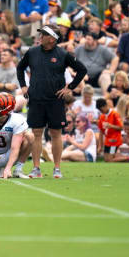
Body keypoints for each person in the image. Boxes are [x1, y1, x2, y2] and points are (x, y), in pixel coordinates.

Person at [16, 24, 87, 179]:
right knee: (36, 134)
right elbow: (20, 68)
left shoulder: (62, 54)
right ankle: (36, 168)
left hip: (56, 100)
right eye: (41, 34)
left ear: (53, 38)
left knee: (56, 133)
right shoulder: (32, 52)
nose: (41, 37)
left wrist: (70, 87)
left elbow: (82, 70)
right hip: (36, 98)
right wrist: (23, 86)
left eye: (44, 34)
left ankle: (57, 168)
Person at [97, 97, 123, 162]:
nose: (101, 111)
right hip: (107, 141)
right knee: (106, 160)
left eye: (101, 109)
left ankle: (128, 158)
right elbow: (101, 131)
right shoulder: (102, 116)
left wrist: (110, 126)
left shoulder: (114, 114)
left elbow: (121, 127)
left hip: (114, 140)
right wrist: (100, 145)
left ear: (105, 106)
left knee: (110, 159)